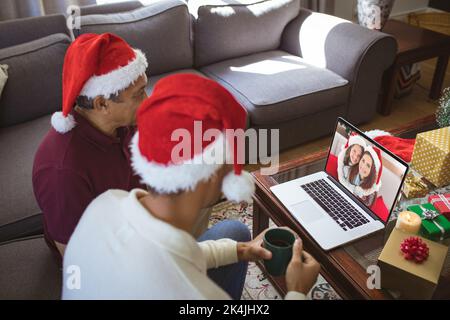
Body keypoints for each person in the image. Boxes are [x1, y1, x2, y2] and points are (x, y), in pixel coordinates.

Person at [62, 74, 320, 300]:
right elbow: (170, 271)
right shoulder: (194, 295)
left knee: (235, 232)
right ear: (209, 173)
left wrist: (240, 251)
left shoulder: (107, 202)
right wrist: (297, 290)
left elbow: (173, 255)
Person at [32, 33, 149, 261]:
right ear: (102, 103)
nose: (147, 99)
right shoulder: (63, 170)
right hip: (108, 260)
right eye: (138, 94)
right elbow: (77, 260)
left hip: (141, 226)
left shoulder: (126, 125)